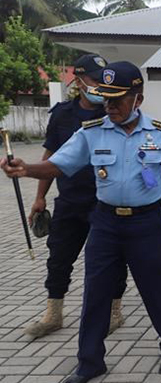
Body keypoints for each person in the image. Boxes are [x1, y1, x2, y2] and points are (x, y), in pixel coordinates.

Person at [1, 61, 161, 383]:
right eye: (105, 99)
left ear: (138, 100)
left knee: (158, 288)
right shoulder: (91, 131)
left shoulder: (160, 132)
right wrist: (25, 168)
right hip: (105, 223)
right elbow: (58, 164)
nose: (109, 106)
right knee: (95, 292)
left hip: (147, 224)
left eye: (117, 99)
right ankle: (89, 362)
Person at [24, 54, 129, 338]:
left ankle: (113, 311)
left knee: (112, 259)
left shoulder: (112, 113)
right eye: (96, 80)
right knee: (59, 257)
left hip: (105, 203)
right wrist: (39, 198)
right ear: (79, 81)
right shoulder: (62, 115)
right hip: (70, 202)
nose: (101, 86)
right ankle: (53, 313)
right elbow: (51, 157)